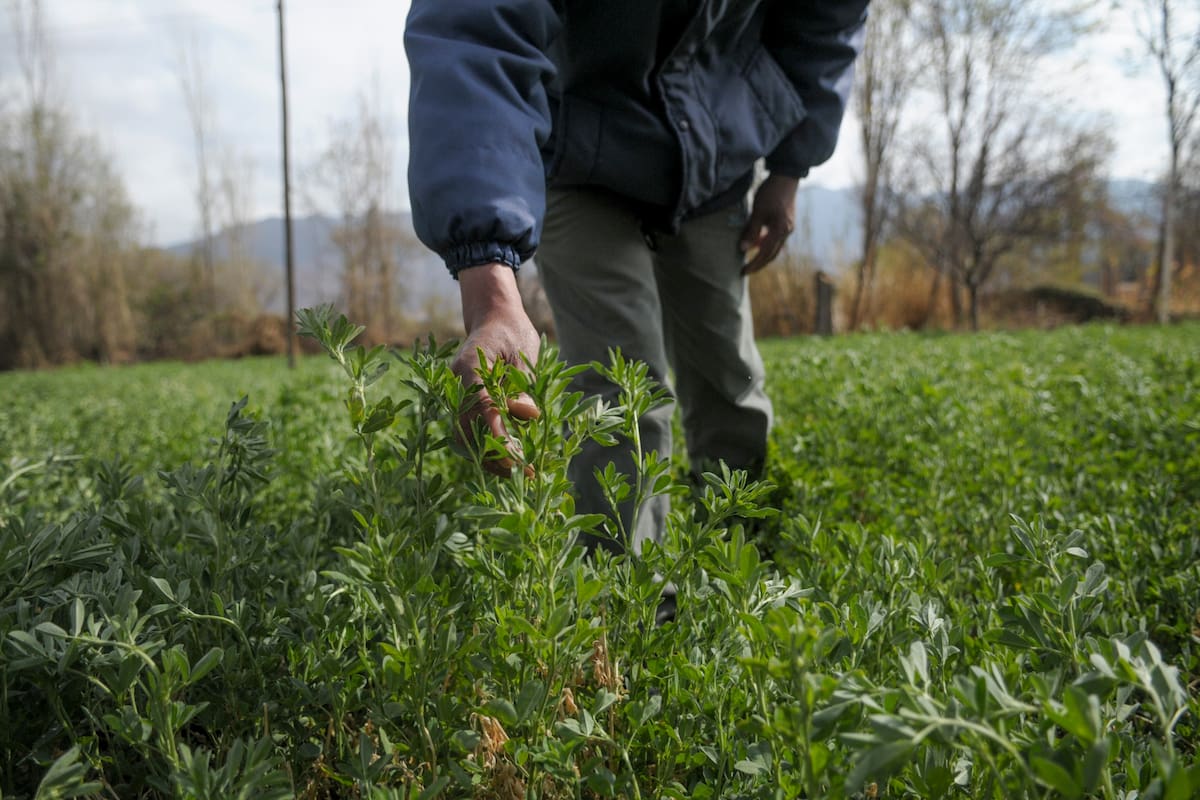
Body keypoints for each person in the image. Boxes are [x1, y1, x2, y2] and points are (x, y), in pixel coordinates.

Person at [404, 1, 868, 555]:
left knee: (730, 384)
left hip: (715, 156)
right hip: (579, 156)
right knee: (621, 397)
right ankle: (630, 602)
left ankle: (741, 567)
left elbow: (825, 20)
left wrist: (790, 167)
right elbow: (475, 34)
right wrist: (491, 292)